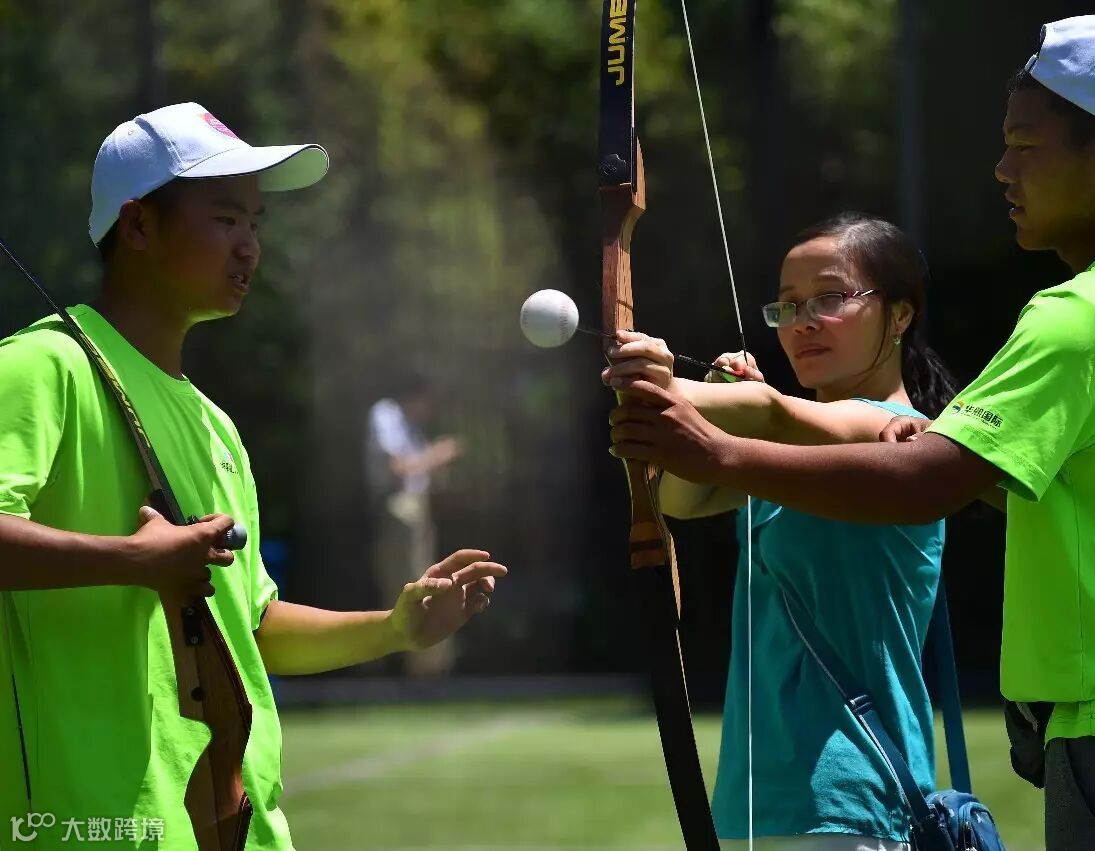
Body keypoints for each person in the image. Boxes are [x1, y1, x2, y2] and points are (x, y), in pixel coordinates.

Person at [609, 16, 1095, 850]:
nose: (1001, 169)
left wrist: (707, 441)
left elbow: (919, 480)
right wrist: (973, 466)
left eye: (1024, 146)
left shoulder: (1087, 312)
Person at [0, 102, 506, 849]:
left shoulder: (217, 427)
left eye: (255, 224)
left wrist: (395, 628)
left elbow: (253, 626)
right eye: (225, 219)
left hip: (239, 829)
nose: (249, 247)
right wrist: (133, 561)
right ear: (137, 227)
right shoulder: (41, 366)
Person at [604, 213, 958, 849]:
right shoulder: (785, 444)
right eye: (788, 306)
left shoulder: (899, 434)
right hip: (761, 795)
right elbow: (683, 499)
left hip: (854, 789)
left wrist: (667, 383)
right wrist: (712, 407)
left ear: (900, 315)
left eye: (830, 298)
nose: (803, 322)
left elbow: (769, 411)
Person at [365, 375, 462, 675]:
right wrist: (438, 455)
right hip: (397, 510)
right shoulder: (386, 414)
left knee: (421, 583)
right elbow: (399, 467)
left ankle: (424, 669)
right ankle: (410, 670)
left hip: (416, 512)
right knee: (408, 587)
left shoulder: (413, 428)